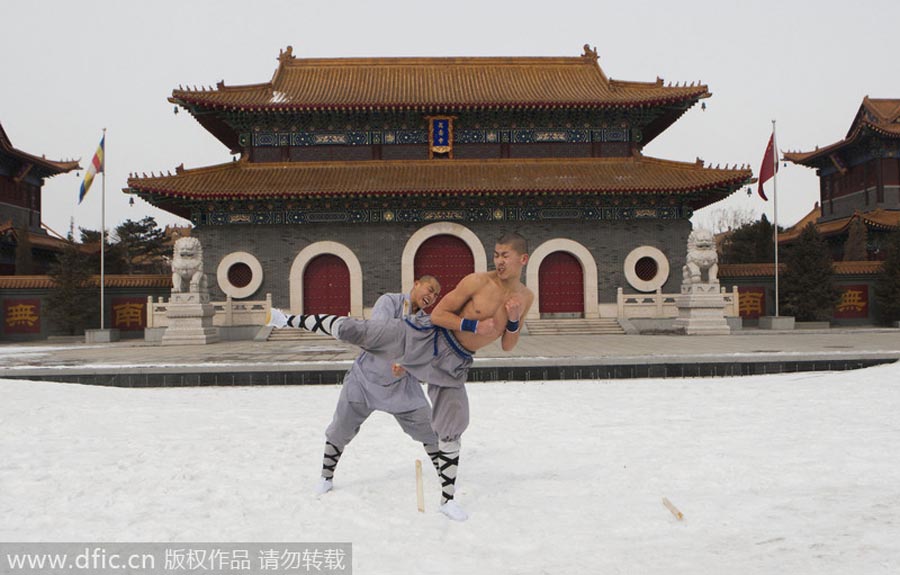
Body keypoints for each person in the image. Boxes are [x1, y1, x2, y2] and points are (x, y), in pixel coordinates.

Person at [269, 232, 534, 521]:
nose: (498, 261)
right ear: (415, 284)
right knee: (359, 332)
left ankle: (447, 500)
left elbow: (508, 345)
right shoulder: (475, 282)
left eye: (504, 255)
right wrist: (473, 325)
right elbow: (437, 316)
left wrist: (511, 321)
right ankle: (286, 320)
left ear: (522, 259)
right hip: (417, 348)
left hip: (451, 365)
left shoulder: (524, 298)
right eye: (496, 254)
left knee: (451, 426)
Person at [315, 276, 442, 497]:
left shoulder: (424, 321)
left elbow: (422, 354)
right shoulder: (389, 302)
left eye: (436, 295)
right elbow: (380, 333)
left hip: (401, 386)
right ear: (416, 283)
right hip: (365, 379)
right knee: (341, 427)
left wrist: (407, 366)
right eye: (430, 290)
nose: (431, 297)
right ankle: (326, 476)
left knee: (429, 427)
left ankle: (445, 476)